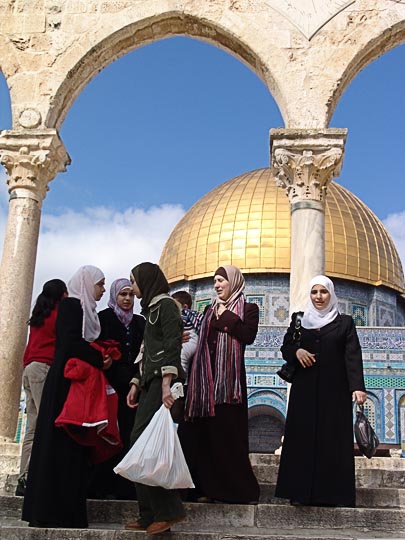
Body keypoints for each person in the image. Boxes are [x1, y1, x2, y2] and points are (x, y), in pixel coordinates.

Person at [22, 265, 111, 528]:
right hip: (64, 385)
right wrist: (98, 357)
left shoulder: (84, 311)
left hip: (73, 382)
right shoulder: (72, 307)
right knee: (59, 443)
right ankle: (52, 510)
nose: (103, 290)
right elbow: (70, 343)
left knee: (70, 449)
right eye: (100, 284)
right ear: (87, 282)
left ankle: (65, 510)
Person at [275, 275, 367, 508]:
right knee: (302, 438)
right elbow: (286, 346)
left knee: (332, 439)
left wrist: (357, 386)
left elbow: (352, 355)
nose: (318, 297)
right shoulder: (299, 320)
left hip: (334, 391)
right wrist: (296, 352)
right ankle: (299, 493)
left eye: (323, 292)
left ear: (331, 294)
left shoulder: (344, 322)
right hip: (304, 390)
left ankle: (332, 494)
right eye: (314, 292)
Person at [178, 264, 260, 504]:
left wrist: (224, 316)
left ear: (233, 282)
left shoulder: (248, 309)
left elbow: (248, 335)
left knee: (228, 438)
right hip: (203, 384)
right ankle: (200, 489)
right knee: (200, 437)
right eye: (215, 281)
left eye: (221, 281)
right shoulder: (206, 310)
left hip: (229, 386)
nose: (217, 285)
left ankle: (235, 491)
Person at [125, 262, 186, 535]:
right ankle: (149, 512)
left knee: (146, 444)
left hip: (165, 385)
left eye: (135, 282)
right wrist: (136, 383)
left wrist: (166, 385)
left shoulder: (166, 307)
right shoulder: (152, 309)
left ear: (147, 282)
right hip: (150, 384)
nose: (133, 288)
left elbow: (172, 344)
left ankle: (168, 511)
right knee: (139, 443)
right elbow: (147, 349)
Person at [88, 278, 145, 500]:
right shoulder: (104, 319)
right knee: (107, 434)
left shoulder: (140, 323)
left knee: (130, 433)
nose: (128, 299)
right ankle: (101, 485)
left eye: (131, 295)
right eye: (123, 294)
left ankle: (126, 487)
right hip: (108, 386)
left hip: (133, 389)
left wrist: (136, 380)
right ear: (115, 296)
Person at [15, 279, 68, 497]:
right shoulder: (57, 315)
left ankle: (24, 476)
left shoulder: (38, 315)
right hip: (43, 369)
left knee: (32, 427)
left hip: (29, 369)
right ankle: (33, 477)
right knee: (44, 425)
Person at [171, 290, 203, 381]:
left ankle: (181, 381)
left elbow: (178, 325)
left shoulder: (184, 313)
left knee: (182, 356)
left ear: (185, 306)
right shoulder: (193, 314)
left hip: (190, 338)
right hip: (192, 339)